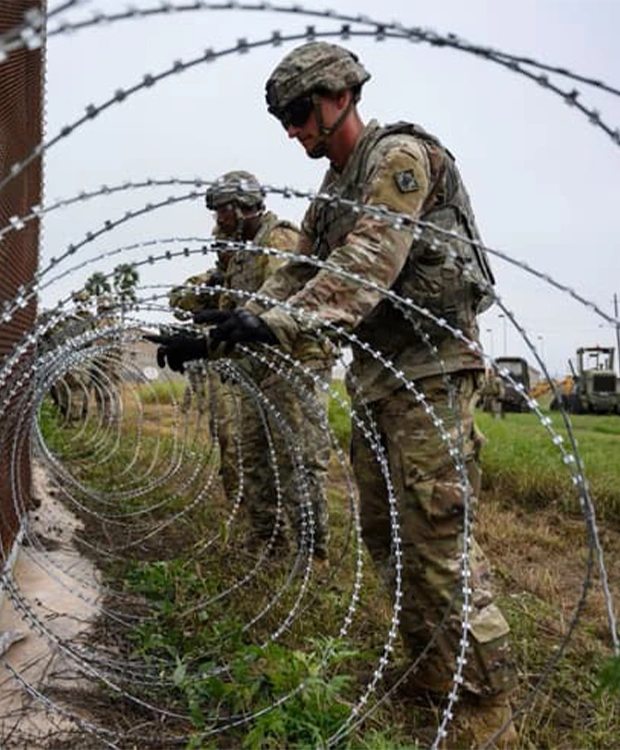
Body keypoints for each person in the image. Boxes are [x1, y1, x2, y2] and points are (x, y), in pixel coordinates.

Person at [152, 42, 516, 747]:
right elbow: (290, 281)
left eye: (298, 112)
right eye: (283, 119)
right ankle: (432, 670)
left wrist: (274, 320)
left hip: (432, 370)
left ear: (339, 95)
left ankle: (484, 703)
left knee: (437, 537)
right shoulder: (330, 198)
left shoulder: (398, 159)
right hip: (379, 377)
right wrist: (219, 335)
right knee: (387, 534)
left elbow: (370, 260)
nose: (292, 131)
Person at [161, 171, 334, 562]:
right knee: (254, 457)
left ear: (240, 208)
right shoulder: (240, 252)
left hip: (291, 366)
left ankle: (311, 556)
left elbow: (284, 309)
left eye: (220, 211)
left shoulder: (278, 241)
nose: (216, 221)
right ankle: (268, 542)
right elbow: (239, 318)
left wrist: (219, 332)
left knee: (297, 462)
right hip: (258, 369)